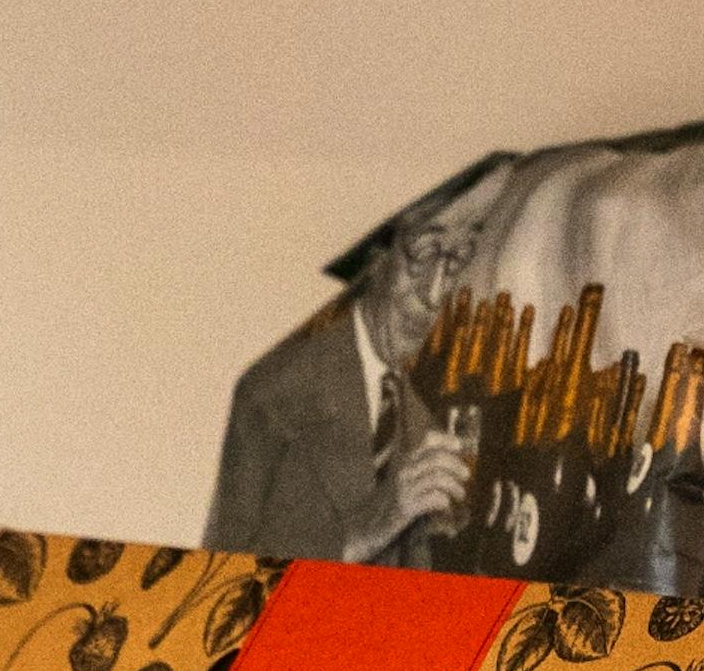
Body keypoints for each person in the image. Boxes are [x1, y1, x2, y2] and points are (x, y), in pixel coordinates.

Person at [206, 175, 504, 564]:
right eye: (423, 253)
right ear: (373, 257)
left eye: (457, 259)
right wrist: (372, 525)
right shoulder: (273, 390)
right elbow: (217, 577)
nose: (434, 296)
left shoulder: (420, 423)